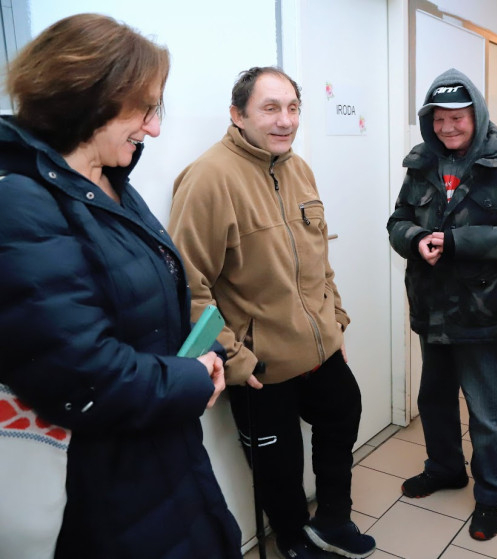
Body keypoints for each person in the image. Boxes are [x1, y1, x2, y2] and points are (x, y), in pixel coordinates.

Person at [0, 13, 241, 559]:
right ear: (89, 98)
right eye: (144, 109)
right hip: (105, 486)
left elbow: (146, 305)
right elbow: (81, 374)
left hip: (161, 454)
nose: (153, 129)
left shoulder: (108, 182)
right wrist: (190, 379)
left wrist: (205, 350)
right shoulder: (20, 204)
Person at [168, 67, 374, 559]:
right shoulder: (208, 179)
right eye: (270, 108)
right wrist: (236, 359)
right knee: (278, 464)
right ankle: (292, 537)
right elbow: (186, 285)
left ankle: (334, 519)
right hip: (260, 364)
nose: (286, 120)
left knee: (343, 414)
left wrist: (336, 321)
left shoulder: (299, 168)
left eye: (293, 108)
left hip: (320, 348)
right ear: (237, 115)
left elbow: (319, 258)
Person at [387, 68, 497, 541]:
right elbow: (398, 219)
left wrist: (461, 242)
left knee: (485, 411)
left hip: (482, 312)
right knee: (434, 399)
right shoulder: (421, 163)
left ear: (476, 115)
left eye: (457, 117)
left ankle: (490, 496)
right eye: (439, 118)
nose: (448, 127)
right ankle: (444, 469)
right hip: (431, 308)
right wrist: (415, 239)